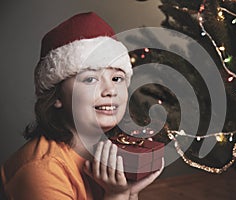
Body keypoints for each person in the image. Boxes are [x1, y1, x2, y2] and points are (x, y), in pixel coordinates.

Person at [0, 12, 164, 200]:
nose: (110, 90)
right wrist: (116, 195)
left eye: (117, 78)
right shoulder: (41, 171)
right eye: (90, 79)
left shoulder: (111, 153)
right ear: (56, 96)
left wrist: (129, 192)